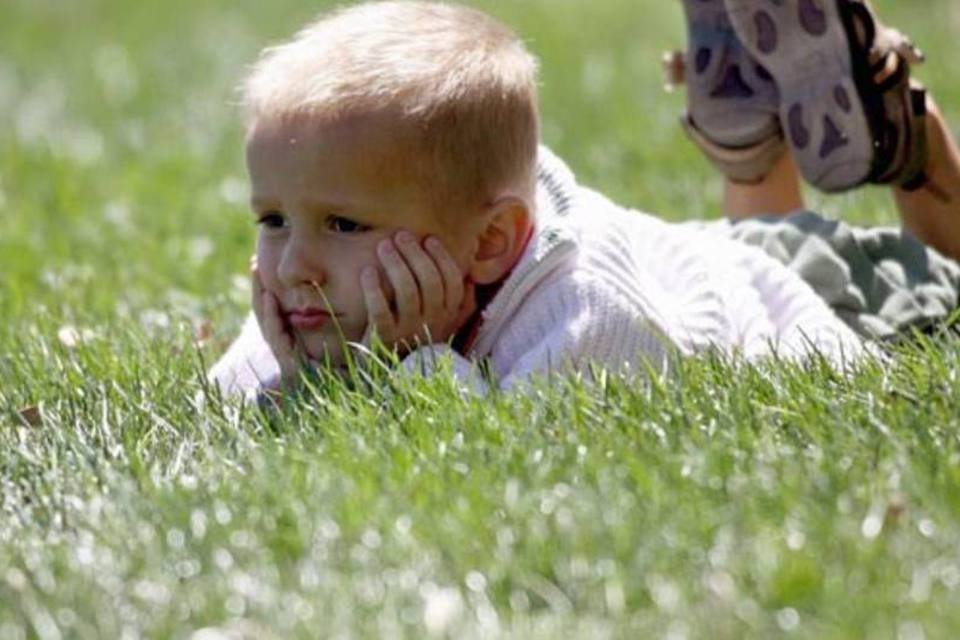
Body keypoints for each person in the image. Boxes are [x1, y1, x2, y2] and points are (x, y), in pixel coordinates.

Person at [209, 0, 959, 400]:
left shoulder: (591, 318)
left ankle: (908, 137)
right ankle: (750, 116)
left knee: (943, 276)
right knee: (760, 227)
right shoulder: (319, 286)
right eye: (271, 219)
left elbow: (504, 450)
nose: (294, 263)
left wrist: (415, 362)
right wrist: (301, 376)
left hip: (813, 290)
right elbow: (233, 402)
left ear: (493, 240)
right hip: (710, 257)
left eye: (343, 224)